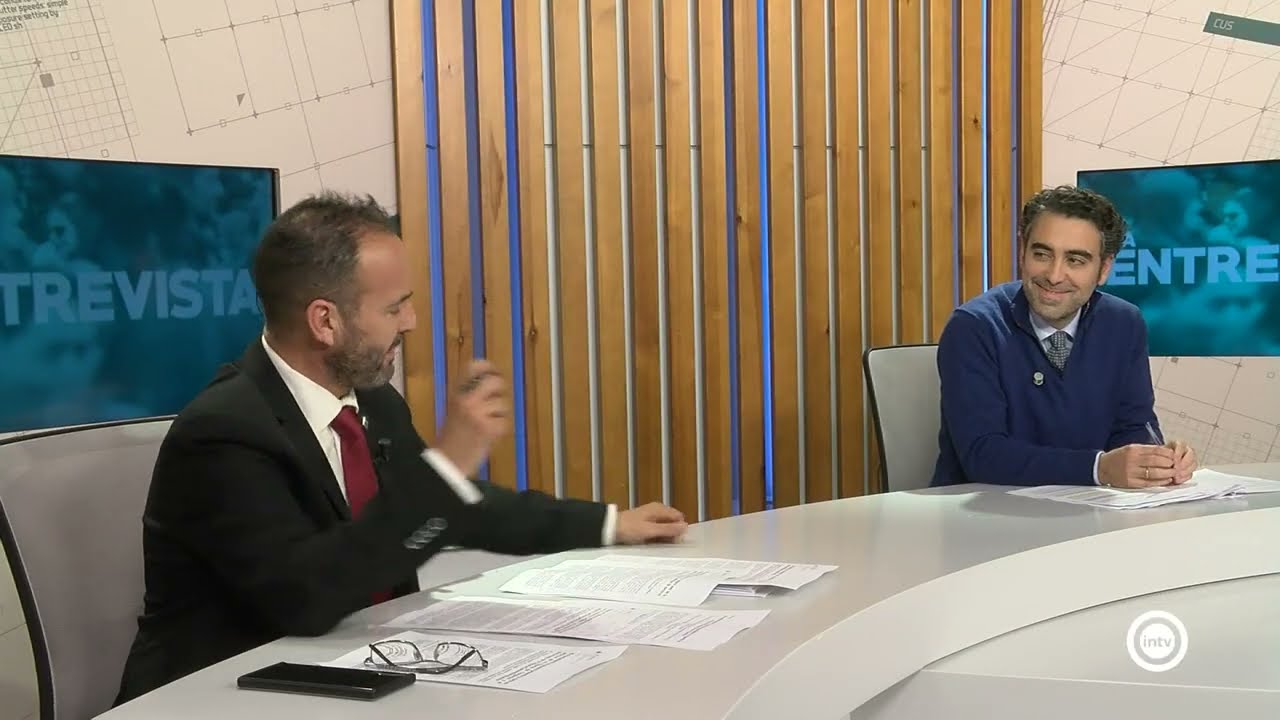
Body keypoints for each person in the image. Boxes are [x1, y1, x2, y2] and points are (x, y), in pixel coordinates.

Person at [115, 191, 688, 703]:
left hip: (353, 674)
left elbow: (454, 507)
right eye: (394, 307)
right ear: (325, 322)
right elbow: (306, 596)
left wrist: (609, 523)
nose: (411, 322)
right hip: (217, 698)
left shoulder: (373, 402)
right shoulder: (223, 433)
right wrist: (444, 466)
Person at [931, 185, 1197, 488]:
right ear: (1022, 251)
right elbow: (983, 455)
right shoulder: (974, 327)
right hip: (980, 508)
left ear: (1104, 268)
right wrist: (1099, 469)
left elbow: (1133, 426)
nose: (1054, 275)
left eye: (1075, 260)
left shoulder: (1124, 323)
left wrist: (1155, 461)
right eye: (1042, 254)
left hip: (1087, 508)